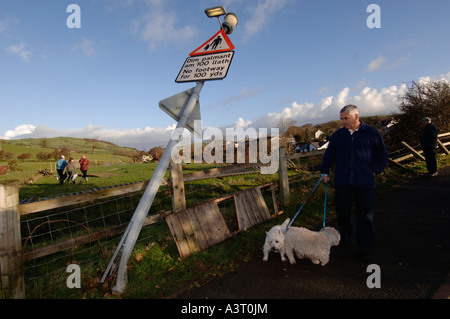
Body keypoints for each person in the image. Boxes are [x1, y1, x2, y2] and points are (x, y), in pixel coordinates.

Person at [319, 104, 389, 261]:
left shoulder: (371, 133)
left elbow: (383, 155)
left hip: (365, 182)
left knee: (364, 215)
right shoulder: (338, 135)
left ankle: (364, 247)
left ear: (356, 116)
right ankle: (345, 235)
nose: (343, 122)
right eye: (341, 119)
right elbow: (329, 155)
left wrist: (374, 170)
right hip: (343, 182)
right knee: (342, 211)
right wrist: (324, 170)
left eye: (346, 118)